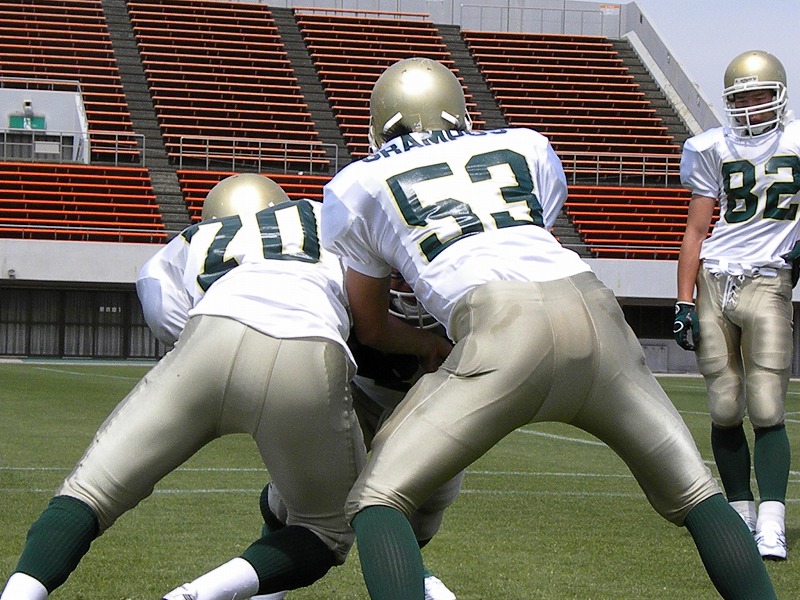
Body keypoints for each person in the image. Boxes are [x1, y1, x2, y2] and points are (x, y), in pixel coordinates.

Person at [320, 56, 778, 599]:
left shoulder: (358, 183)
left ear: (381, 124)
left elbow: (371, 326)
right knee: (699, 494)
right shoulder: (525, 143)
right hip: (595, 311)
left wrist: (427, 343)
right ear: (459, 111)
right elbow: (532, 230)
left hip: (501, 328)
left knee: (379, 498)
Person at [1, 174, 367, 600]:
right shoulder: (322, 215)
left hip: (206, 342)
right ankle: (198, 594)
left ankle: (18, 595)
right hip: (307, 348)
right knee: (326, 529)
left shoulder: (182, 244)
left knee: (89, 493)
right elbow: (367, 296)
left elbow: (168, 321)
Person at [170, 270, 461, 600]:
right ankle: (268, 585)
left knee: (427, 509)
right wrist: (425, 343)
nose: (406, 285)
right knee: (297, 496)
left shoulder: (465, 282)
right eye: (395, 275)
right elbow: (369, 328)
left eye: (408, 274)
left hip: (431, 400)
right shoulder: (342, 274)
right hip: (355, 392)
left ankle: (414, 574)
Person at [674, 49, 797, 562]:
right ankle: (741, 512)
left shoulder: (795, 140)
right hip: (714, 279)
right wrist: (683, 300)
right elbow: (696, 229)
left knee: (766, 405)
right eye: (741, 98)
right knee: (725, 408)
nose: (751, 106)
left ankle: (772, 523)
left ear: (779, 95)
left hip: (768, 280)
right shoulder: (711, 147)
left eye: (760, 95)